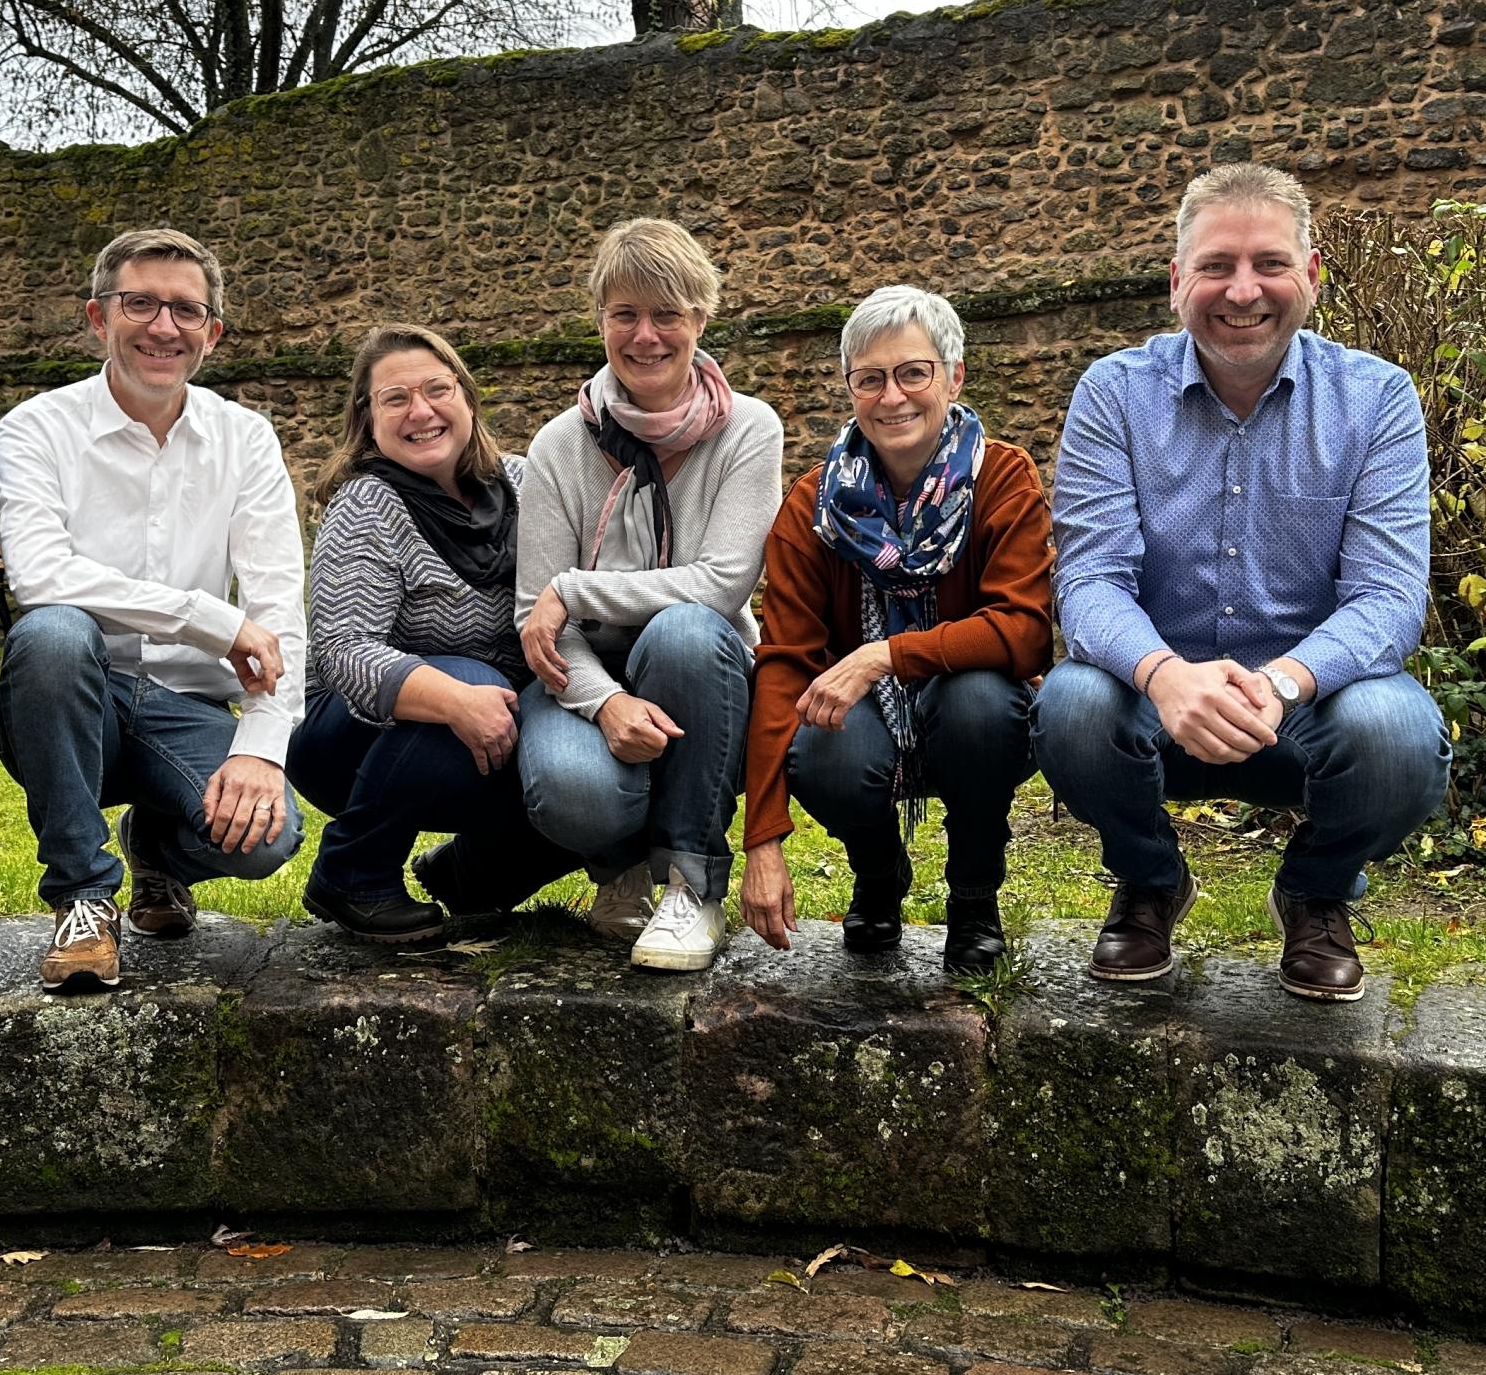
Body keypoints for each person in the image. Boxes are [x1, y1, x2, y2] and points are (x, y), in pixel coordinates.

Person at [1034, 162, 1450, 1002]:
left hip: (1311, 705)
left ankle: (1316, 893)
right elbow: (1089, 584)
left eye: (1269, 263)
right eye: (1217, 266)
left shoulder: (1376, 401)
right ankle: (1150, 880)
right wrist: (1167, 676)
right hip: (1156, 702)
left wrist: (1284, 681)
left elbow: (1389, 598)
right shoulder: (1113, 394)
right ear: (1178, 279)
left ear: (1313, 273)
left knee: (1400, 735)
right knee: (1070, 705)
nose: (1243, 291)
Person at [0, 228, 305, 992]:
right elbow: (39, 576)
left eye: (186, 311)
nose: (164, 327)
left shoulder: (245, 438)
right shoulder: (38, 427)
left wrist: (261, 747)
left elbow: (277, 605)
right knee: (56, 631)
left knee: (265, 840)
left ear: (212, 335)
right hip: (68, 701)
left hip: (181, 705)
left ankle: (158, 845)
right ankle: (81, 898)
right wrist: (208, 618)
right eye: (140, 304)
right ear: (99, 319)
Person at [739, 286, 1053, 972]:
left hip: (973, 718)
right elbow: (784, 664)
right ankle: (879, 872)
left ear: (954, 376)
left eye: (914, 372)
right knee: (822, 744)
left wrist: (883, 655)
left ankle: (974, 898)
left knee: (979, 699)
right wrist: (762, 839)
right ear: (850, 389)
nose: (893, 397)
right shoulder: (813, 507)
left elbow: (1024, 632)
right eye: (870, 379)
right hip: (864, 725)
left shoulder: (1001, 477)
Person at [514, 218, 783, 971]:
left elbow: (724, 581)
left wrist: (576, 587)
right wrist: (606, 703)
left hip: (704, 672)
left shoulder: (749, 429)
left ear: (700, 319)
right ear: (599, 320)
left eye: (668, 314)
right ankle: (620, 867)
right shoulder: (559, 446)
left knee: (687, 634)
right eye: (624, 314)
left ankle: (687, 887)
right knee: (574, 791)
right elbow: (534, 619)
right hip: (583, 670)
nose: (646, 336)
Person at [286, 325, 580, 941]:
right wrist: (457, 700)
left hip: (493, 728)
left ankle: (473, 877)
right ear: (368, 420)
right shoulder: (367, 504)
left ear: (467, 399)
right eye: (395, 399)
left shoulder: (527, 485)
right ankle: (351, 872)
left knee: (590, 779)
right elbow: (343, 651)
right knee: (474, 678)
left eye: (437, 389)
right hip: (349, 738)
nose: (420, 411)